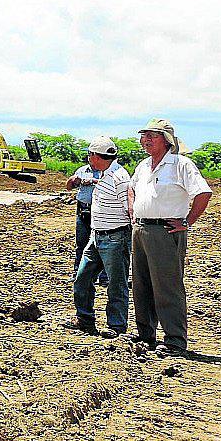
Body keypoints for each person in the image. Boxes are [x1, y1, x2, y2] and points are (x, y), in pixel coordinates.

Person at [129, 118, 213, 355]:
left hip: (165, 232)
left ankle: (175, 340)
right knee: (141, 285)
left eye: (152, 136)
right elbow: (132, 188)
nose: (146, 140)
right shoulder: (143, 166)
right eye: (144, 135)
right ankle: (146, 334)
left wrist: (186, 221)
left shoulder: (180, 164)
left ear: (166, 141)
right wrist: (133, 209)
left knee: (167, 286)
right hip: (141, 230)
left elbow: (203, 192)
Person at [71, 138, 131, 336]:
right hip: (96, 236)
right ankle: (85, 319)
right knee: (83, 278)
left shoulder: (119, 178)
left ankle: (116, 327)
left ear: (96, 156)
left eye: (90, 155)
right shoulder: (106, 174)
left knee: (116, 283)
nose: (88, 158)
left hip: (114, 237)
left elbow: (130, 209)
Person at [65, 149, 109, 284]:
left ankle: (104, 277)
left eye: (93, 156)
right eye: (90, 156)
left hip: (101, 211)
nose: (91, 158)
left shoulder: (107, 172)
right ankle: (77, 273)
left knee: (102, 244)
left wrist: (92, 181)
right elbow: (68, 186)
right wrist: (75, 180)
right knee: (81, 243)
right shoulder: (82, 170)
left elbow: (108, 186)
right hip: (83, 210)